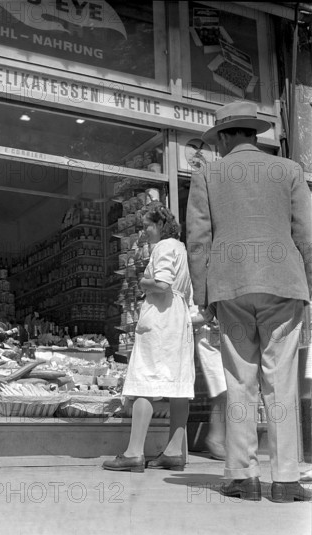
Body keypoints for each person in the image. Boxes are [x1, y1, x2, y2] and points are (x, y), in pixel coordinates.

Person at [186, 101, 312, 502]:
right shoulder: (289, 170)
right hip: (282, 283)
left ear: (224, 137)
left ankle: (243, 477)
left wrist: (204, 296)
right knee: (281, 384)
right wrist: (306, 287)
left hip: (232, 285)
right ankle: (287, 480)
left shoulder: (208, 174)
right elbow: (307, 235)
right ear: (253, 135)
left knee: (240, 381)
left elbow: (198, 240)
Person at [103, 202, 195, 473]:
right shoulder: (181, 249)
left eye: (147, 227)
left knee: (144, 381)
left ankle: (134, 453)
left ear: (160, 225)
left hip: (161, 319)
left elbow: (163, 284)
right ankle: (174, 452)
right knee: (178, 386)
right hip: (178, 319)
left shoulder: (164, 247)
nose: (145, 233)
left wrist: (144, 282)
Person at [190, 303, 227, 460]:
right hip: (207, 333)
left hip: (225, 331)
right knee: (222, 387)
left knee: (229, 387)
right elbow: (192, 315)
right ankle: (216, 439)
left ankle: (221, 439)